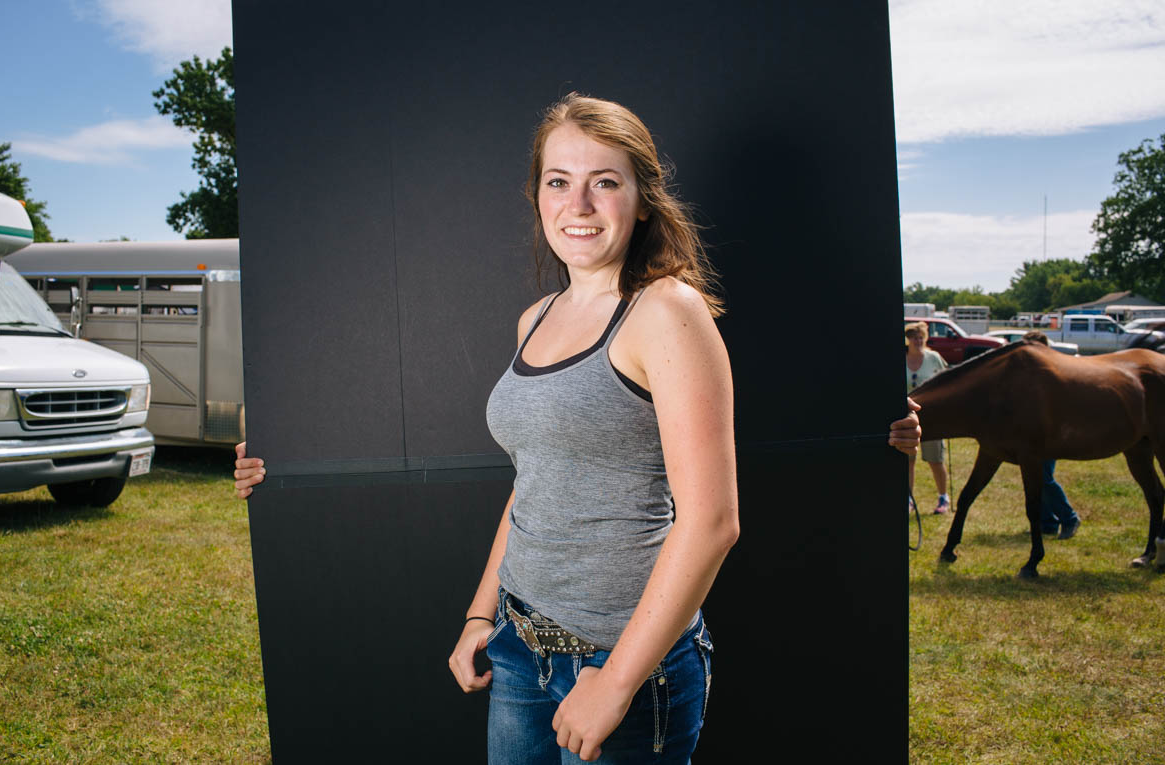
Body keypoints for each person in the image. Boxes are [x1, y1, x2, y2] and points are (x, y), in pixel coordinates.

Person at [234, 93, 924, 763]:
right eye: (559, 181)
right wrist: (482, 614)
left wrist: (617, 681)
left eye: (605, 182)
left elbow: (713, 520)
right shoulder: (534, 319)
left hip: (624, 666)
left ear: (643, 197)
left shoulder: (665, 310)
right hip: (519, 648)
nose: (579, 205)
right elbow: (533, 484)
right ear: (538, 194)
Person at [1022, 331, 1081, 539]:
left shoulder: (1052, 373)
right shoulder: (1029, 374)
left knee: (1044, 478)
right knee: (1037, 478)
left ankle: (1069, 517)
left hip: (1049, 435)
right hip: (1032, 434)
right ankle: (1048, 522)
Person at [905, 321, 950, 514]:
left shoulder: (934, 358)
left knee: (935, 459)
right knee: (908, 460)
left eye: (921, 337)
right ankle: (908, 498)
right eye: (915, 337)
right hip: (907, 417)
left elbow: (946, 381)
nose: (918, 340)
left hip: (931, 416)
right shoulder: (902, 358)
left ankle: (943, 498)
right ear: (908, 339)